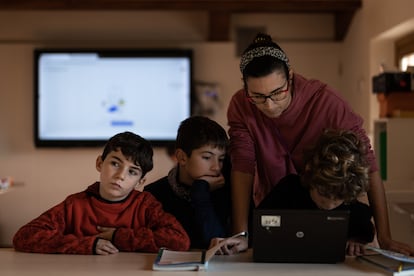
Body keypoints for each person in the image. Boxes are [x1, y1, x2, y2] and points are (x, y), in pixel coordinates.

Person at [225, 32, 414, 255]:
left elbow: (369, 164)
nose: (269, 105)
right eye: (257, 96)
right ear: (245, 88)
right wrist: (242, 235)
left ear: (291, 77)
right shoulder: (240, 105)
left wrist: (385, 237)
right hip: (275, 202)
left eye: (278, 92)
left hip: (325, 200)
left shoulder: (327, 103)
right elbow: (242, 165)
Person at [13, 131, 190, 255]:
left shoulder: (145, 205)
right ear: (99, 163)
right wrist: (85, 245)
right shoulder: (75, 204)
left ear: (141, 181)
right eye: (115, 163)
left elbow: (179, 240)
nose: (120, 175)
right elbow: (24, 236)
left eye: (132, 172)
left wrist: (117, 236)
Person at [258, 129, 375, 256]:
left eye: (338, 197)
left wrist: (356, 241)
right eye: (323, 193)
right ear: (311, 177)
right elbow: (259, 222)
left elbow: (366, 232)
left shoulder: (352, 206)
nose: (329, 204)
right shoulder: (288, 189)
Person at [144, 115, 232, 249]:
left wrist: (200, 192)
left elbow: (216, 244)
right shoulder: (154, 194)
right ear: (182, 157)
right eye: (207, 157)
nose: (216, 167)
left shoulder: (224, 190)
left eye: (221, 159)